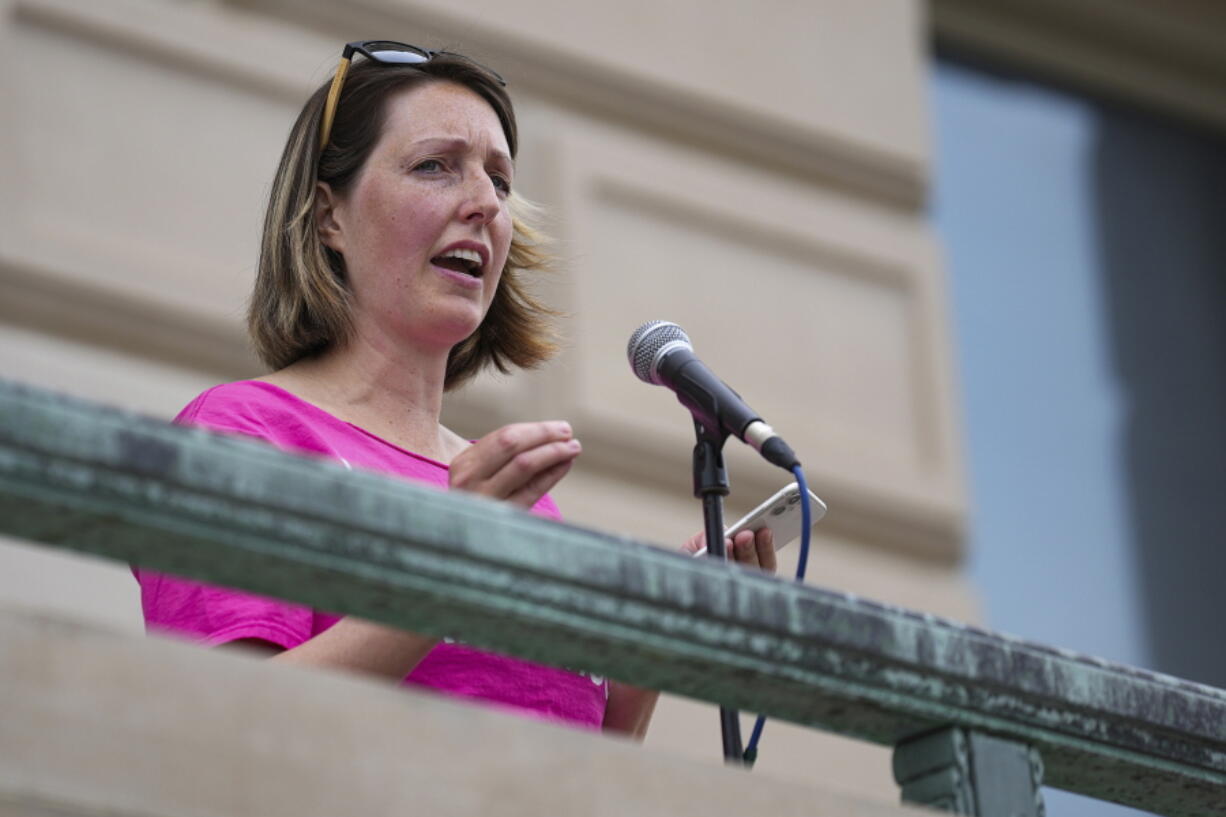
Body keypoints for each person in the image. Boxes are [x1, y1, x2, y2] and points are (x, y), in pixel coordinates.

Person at [134, 40, 775, 739]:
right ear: (328, 217)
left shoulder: (514, 495)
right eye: (435, 166)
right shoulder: (242, 431)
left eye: (499, 181)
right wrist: (446, 567)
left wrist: (661, 645)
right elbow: (223, 725)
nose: (484, 205)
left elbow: (573, 759)